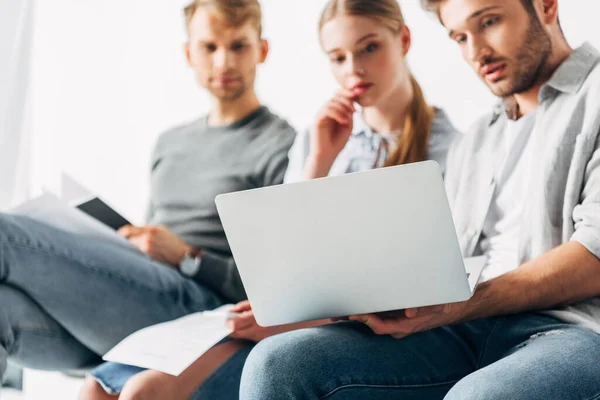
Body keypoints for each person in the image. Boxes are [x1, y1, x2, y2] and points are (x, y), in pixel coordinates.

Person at [87, 0, 463, 398]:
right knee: (94, 388)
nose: (353, 68)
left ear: (403, 39)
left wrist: (294, 322)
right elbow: (285, 266)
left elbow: (422, 286)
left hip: (348, 327)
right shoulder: (320, 140)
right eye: (337, 57)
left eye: (369, 48)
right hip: (281, 316)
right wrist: (318, 160)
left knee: (143, 391)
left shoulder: (450, 149)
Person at [238, 0, 600, 399]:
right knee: (278, 363)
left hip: (570, 331)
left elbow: (593, 259)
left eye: (490, 22)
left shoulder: (593, 97)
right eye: (460, 36)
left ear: (547, 6)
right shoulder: (480, 137)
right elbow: (450, 260)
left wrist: (460, 304)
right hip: (465, 330)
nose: (476, 52)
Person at [0, 0, 296, 397]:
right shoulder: (170, 144)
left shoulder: (282, 146)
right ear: (190, 54)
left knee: (6, 235)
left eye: (238, 46)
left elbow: (277, 286)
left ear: (262, 50)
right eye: (209, 47)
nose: (224, 62)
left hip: (202, 310)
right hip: (145, 297)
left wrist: (188, 258)